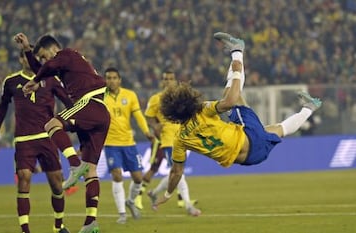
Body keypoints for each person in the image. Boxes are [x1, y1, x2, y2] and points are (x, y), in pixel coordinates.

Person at [153, 32, 322, 208]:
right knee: (231, 97)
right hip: (248, 137)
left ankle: (309, 108)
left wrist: (167, 194)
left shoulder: (179, 140)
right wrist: (236, 68)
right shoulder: (201, 109)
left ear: (171, 114)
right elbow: (231, 101)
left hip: (252, 158)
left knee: (277, 129)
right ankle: (237, 50)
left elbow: (176, 172)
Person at [15, 33, 110, 233]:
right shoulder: (64, 64)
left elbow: (45, 69)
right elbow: (43, 70)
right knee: (91, 171)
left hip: (89, 102)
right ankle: (91, 222)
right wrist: (27, 49)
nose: (43, 60)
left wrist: (35, 80)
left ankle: (74, 165)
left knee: (51, 125)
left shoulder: (67, 54)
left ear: (53, 49)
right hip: (101, 114)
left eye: (43, 56)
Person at [0, 47, 73, 233]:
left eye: (34, 57)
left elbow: (68, 102)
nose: (29, 60)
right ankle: (25, 229)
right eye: (26, 57)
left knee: (56, 183)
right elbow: (3, 106)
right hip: (24, 139)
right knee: (24, 178)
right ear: (21, 60)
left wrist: (73, 120)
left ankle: (58, 226)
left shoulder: (51, 79)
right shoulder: (11, 81)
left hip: (47, 137)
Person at [135, 69, 199, 216]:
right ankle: (188, 205)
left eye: (171, 78)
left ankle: (153, 193)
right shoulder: (156, 99)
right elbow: (149, 117)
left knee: (174, 173)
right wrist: (155, 126)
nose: (168, 81)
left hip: (182, 139)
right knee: (179, 173)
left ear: (175, 81)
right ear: (162, 81)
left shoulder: (180, 98)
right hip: (168, 140)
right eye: (166, 79)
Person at [103, 67, 155, 224]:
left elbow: (138, 115)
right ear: (105, 80)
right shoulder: (100, 96)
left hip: (129, 143)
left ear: (119, 80)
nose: (111, 80)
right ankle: (122, 214)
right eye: (108, 78)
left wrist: (146, 131)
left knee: (138, 178)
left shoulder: (130, 95)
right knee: (117, 175)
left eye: (114, 78)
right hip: (111, 143)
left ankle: (130, 201)